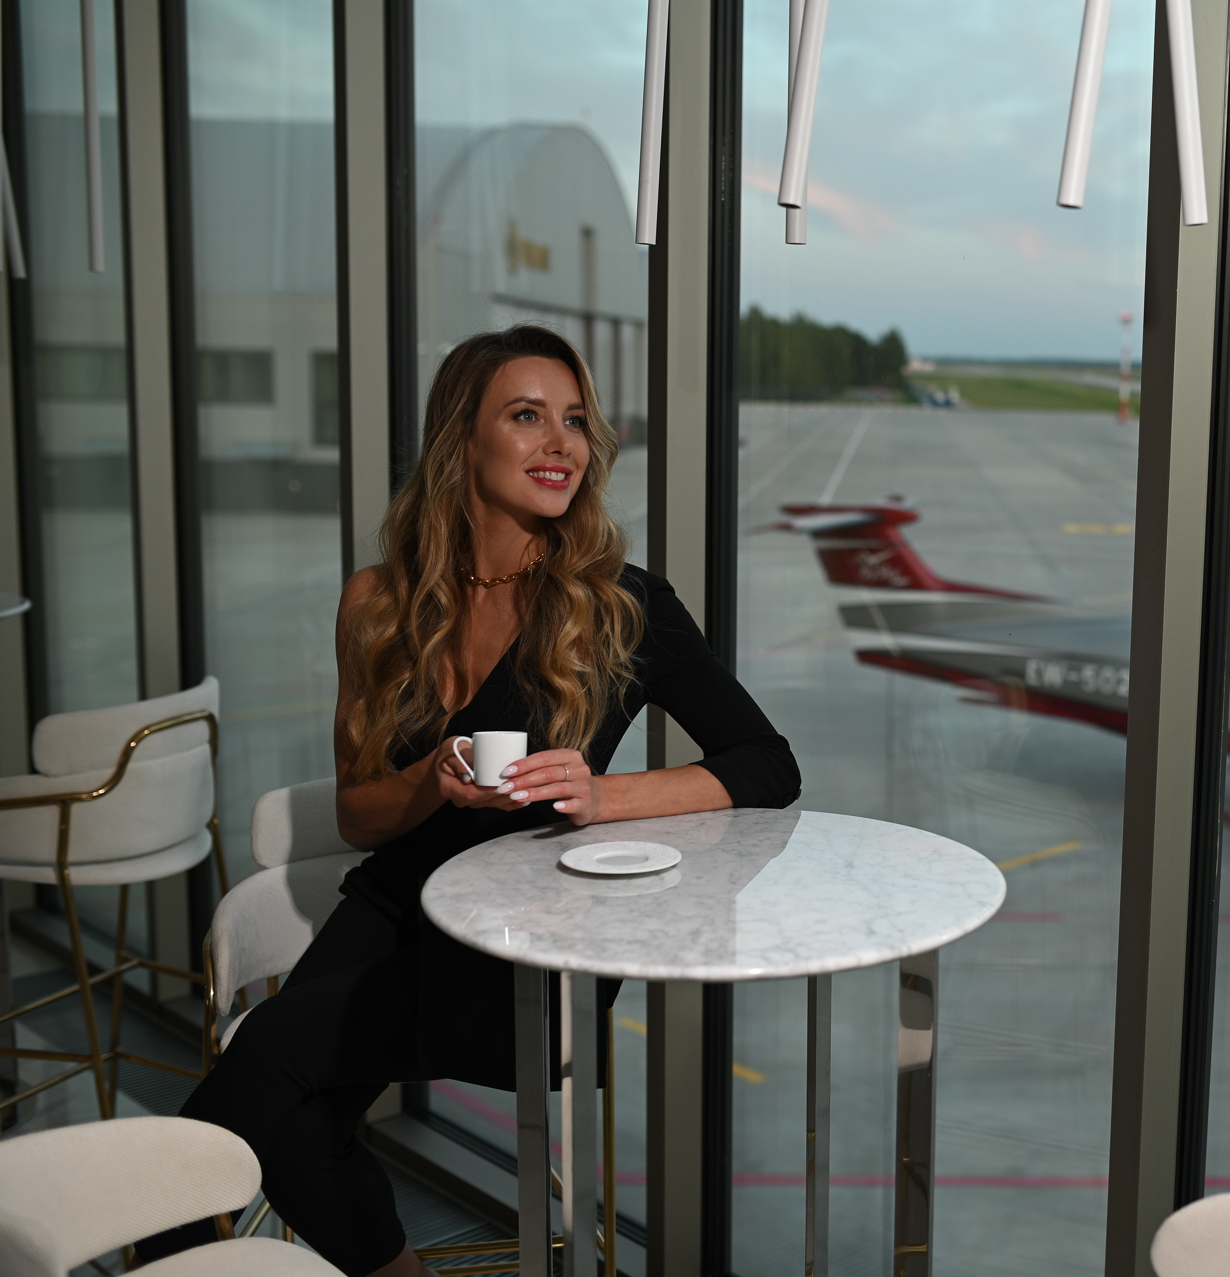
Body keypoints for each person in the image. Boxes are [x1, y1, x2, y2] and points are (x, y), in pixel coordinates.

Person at [136, 326, 800, 1276]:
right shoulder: (377, 603)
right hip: (392, 905)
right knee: (297, 1132)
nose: (561, 443)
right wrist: (426, 779)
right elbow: (360, 817)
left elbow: (768, 763)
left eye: (575, 420)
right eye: (527, 416)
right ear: (463, 438)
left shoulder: (623, 605)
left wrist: (601, 795)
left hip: (520, 936)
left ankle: (149, 1243)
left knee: (264, 1064)